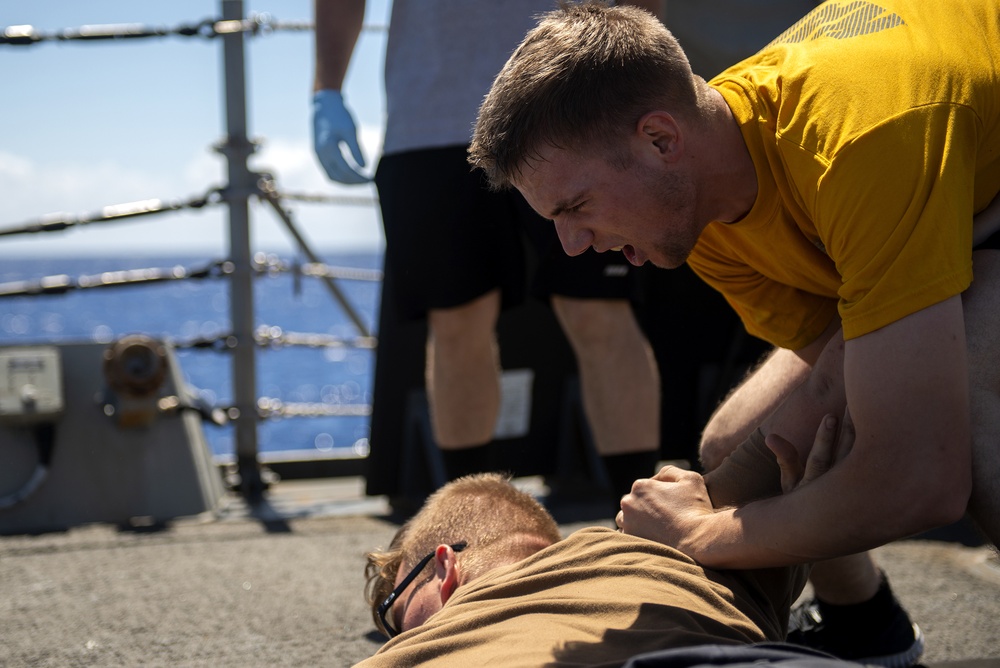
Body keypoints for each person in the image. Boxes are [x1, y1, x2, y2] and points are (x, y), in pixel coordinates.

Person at [467, 0, 999, 664]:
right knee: (734, 443)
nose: (570, 244)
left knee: (971, 409)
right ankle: (868, 626)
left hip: (961, 186)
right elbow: (836, 372)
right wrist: (715, 502)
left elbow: (921, 476)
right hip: (964, 210)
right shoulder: (705, 206)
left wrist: (704, 533)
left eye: (575, 206)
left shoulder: (853, 140)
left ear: (660, 140)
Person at [312, 0, 662, 501]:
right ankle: (470, 531)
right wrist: (325, 90)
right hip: (429, 120)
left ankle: (645, 525)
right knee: (455, 323)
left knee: (599, 312)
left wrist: (637, 79)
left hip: (573, 106)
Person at [355, 413, 863, 667]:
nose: (403, 637)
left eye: (396, 612)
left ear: (445, 570)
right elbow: (818, 399)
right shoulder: (678, 542)